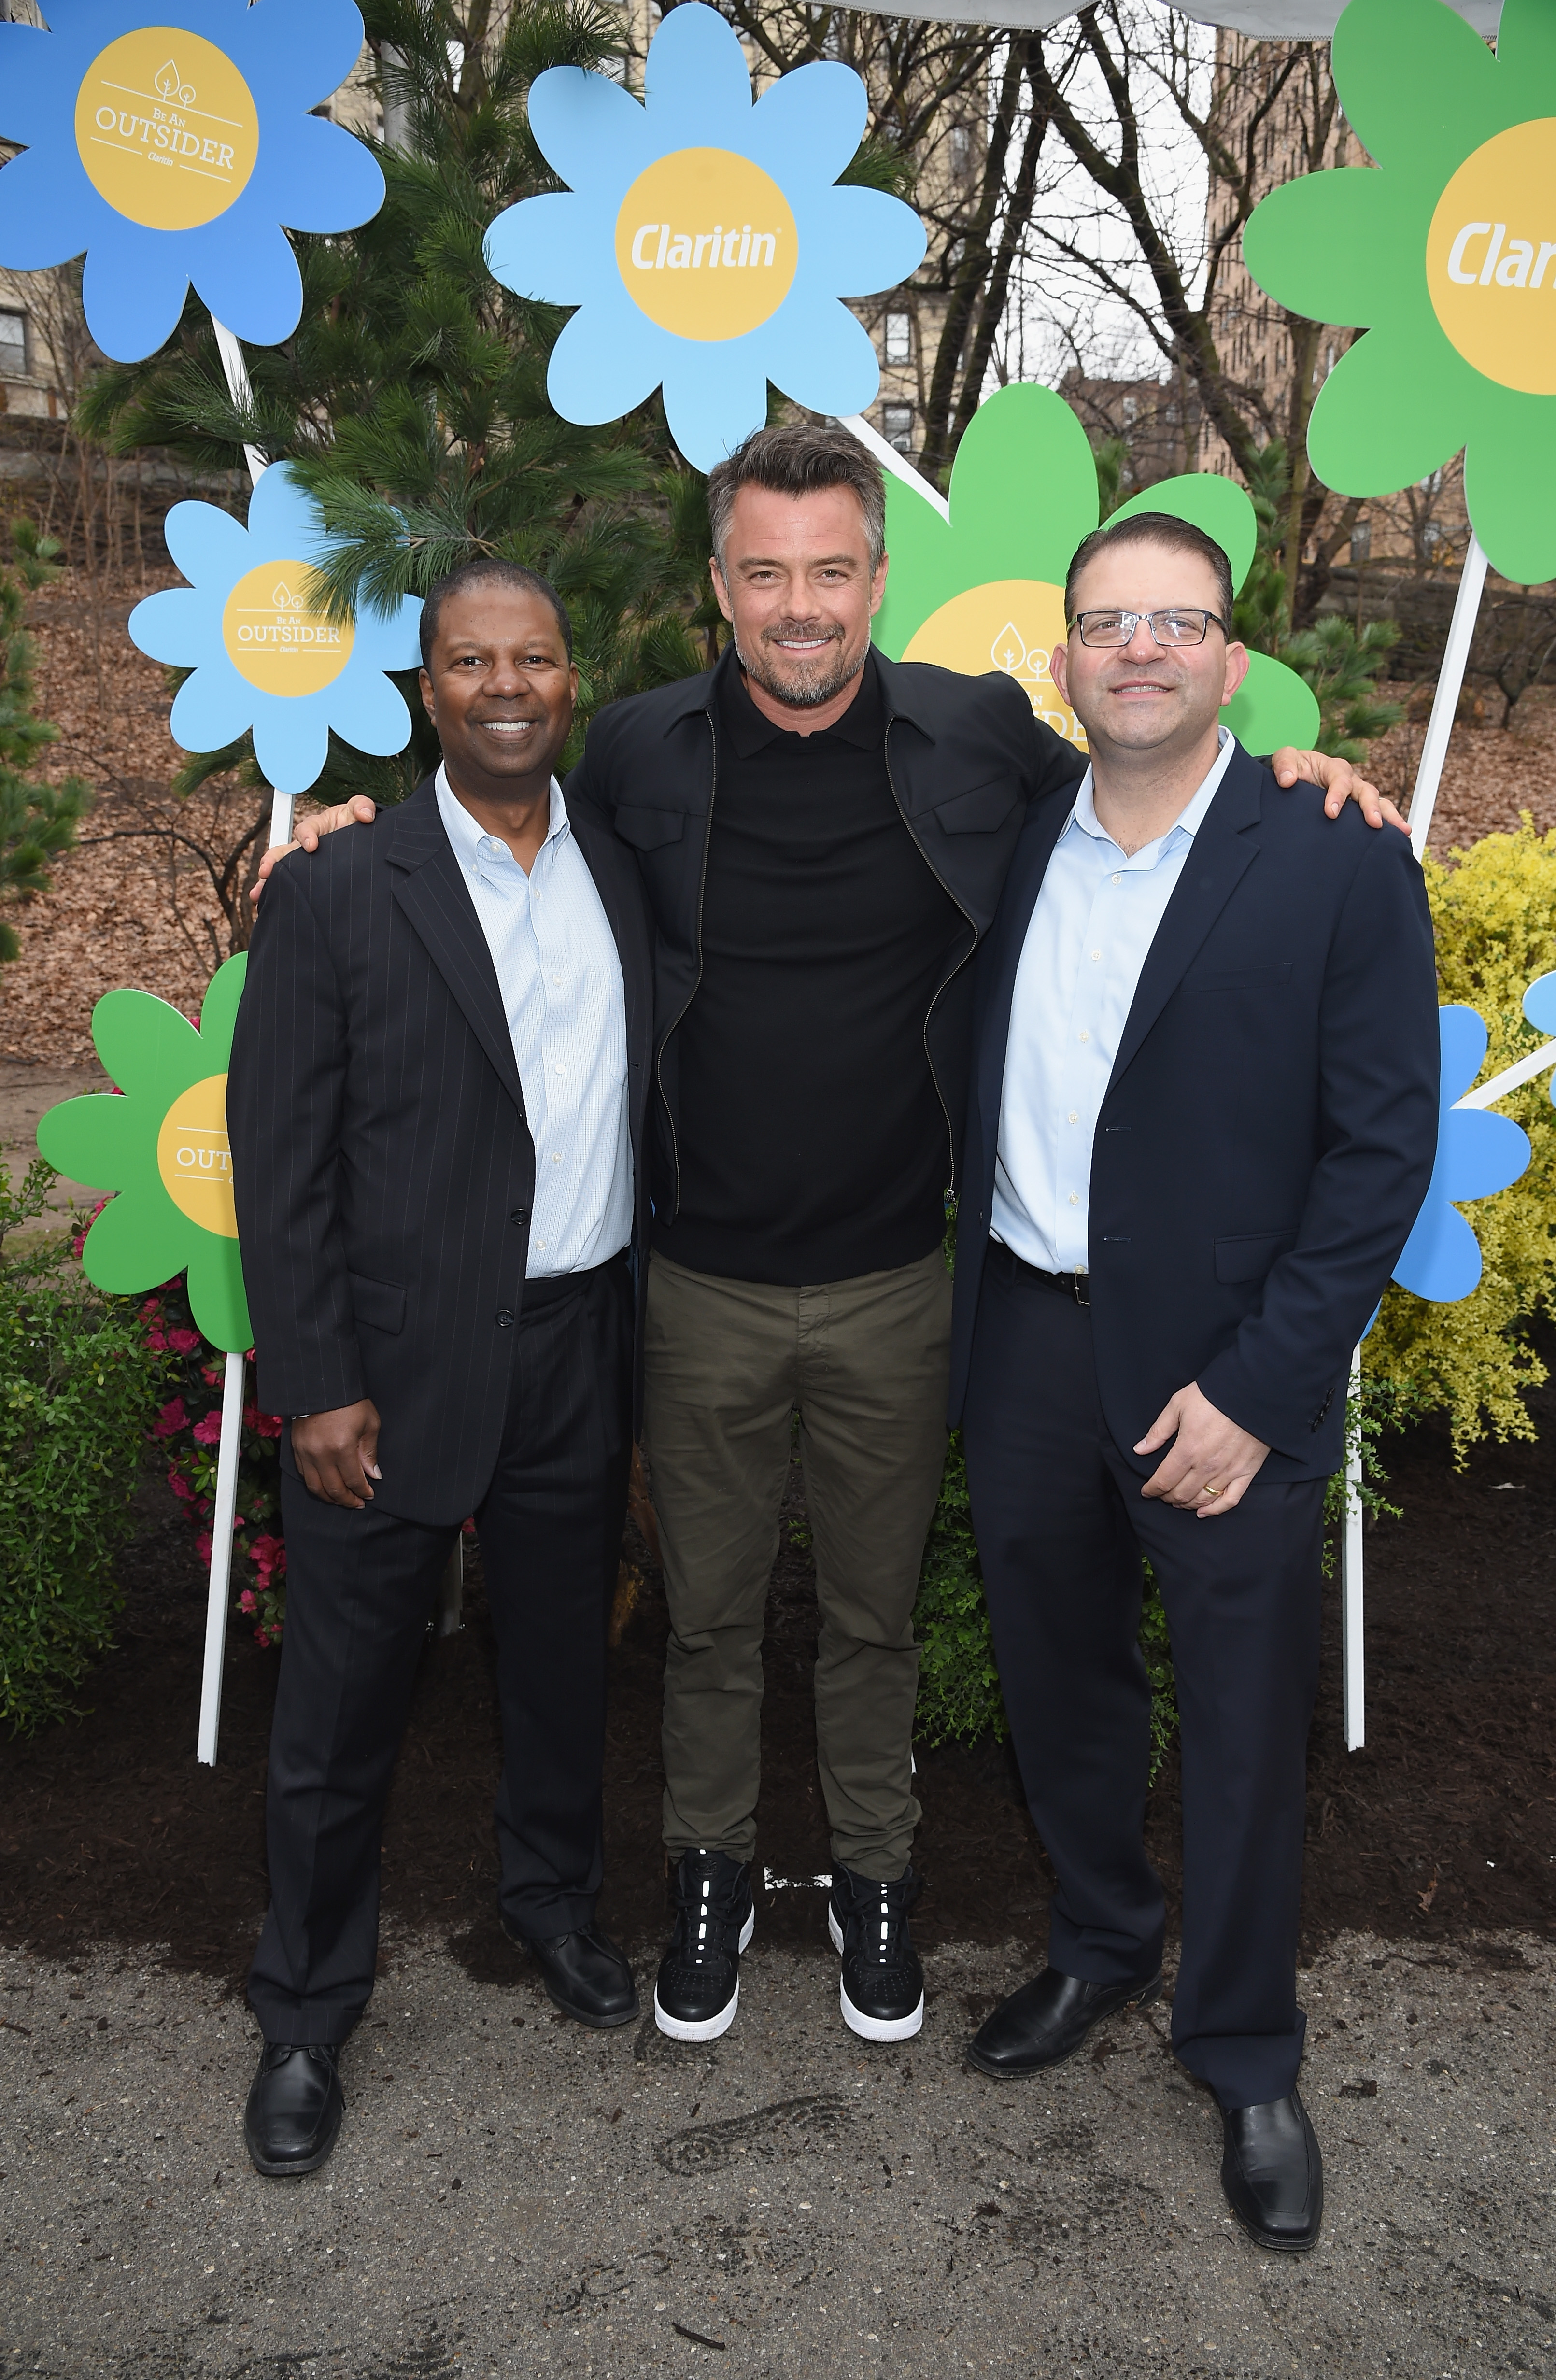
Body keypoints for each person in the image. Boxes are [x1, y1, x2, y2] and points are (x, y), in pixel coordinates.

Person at [256, 425, 1402, 2054]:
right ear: (720, 585)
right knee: (711, 1624)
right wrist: (346, 833)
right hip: (701, 1291)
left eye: (834, 571)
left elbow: (1145, 784)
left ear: (880, 579)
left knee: (870, 1621)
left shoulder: (980, 732)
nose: (802, 606)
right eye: (766, 573)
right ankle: (707, 1883)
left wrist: (1302, 775)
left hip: (904, 1287)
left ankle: (881, 1887)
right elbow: (490, 819)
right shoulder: (638, 756)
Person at [949, 510, 1440, 2252]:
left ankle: (1243, 2050)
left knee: (1238, 1722)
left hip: (1227, 1369)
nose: (1141, 649)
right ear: (1065, 658)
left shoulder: (1330, 850)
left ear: (1232, 658)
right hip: (1022, 1329)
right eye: (1108, 622)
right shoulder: (1012, 838)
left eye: (1181, 621)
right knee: (1060, 1673)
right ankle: (1097, 1941)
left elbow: (1383, 1148)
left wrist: (1263, 1387)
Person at [229, 560, 652, 2180]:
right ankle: (306, 2012)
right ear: (425, 694)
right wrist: (318, 1380)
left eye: (532, 659)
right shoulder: (341, 886)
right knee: (339, 1709)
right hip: (388, 1372)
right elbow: (284, 1158)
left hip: (578, 1342)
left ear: (571, 678)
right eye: (469, 663)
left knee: (560, 1664)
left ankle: (550, 1906)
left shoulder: (619, 863)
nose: (504, 687)